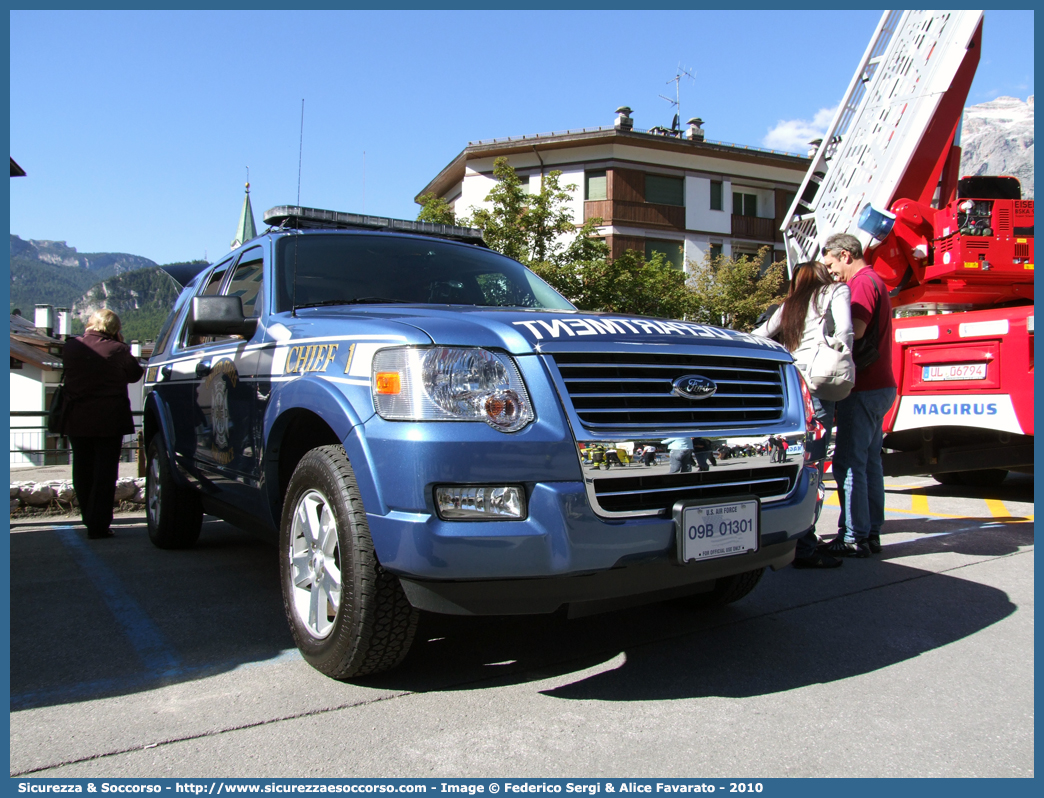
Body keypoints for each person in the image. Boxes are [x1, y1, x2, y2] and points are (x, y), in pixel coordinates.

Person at [754, 259, 853, 568]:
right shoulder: (836, 290)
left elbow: (762, 333)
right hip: (821, 382)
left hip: (796, 385)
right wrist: (841, 353)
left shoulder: (791, 303)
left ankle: (792, 538)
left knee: (799, 459)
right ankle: (807, 545)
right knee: (815, 465)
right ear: (823, 275)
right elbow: (846, 327)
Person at [819, 234, 896, 558]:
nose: (832, 273)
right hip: (883, 386)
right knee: (870, 463)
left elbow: (857, 329)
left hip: (862, 388)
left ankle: (852, 536)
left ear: (845, 255)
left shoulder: (862, 283)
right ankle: (870, 533)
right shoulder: (877, 280)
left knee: (849, 463)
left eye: (831, 265)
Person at [60, 309, 144, 539]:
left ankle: (88, 517)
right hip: (109, 419)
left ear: (91, 324)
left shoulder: (71, 346)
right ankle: (99, 523)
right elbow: (135, 375)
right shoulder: (118, 349)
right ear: (115, 329)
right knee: (105, 473)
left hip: (77, 418)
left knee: (82, 469)